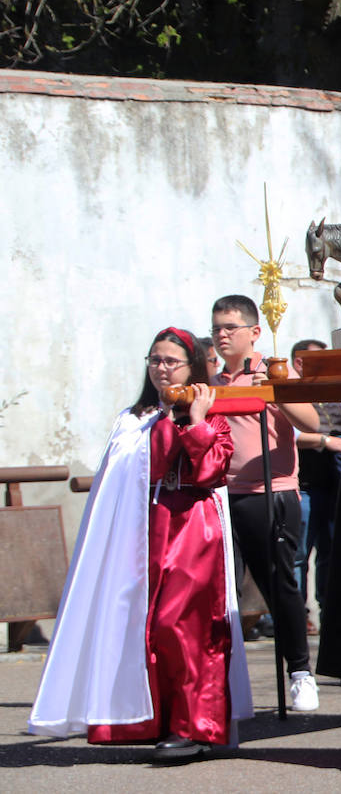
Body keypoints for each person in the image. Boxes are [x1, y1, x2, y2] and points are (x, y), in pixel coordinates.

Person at [29, 327, 252, 762]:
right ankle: (153, 719)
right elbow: (132, 474)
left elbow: (208, 472)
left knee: (182, 624)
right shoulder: (133, 419)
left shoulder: (211, 414)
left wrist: (196, 420)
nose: (161, 368)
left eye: (172, 361)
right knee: (143, 627)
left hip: (191, 530)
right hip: (141, 532)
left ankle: (195, 726)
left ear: (194, 367)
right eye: (155, 359)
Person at [209, 295, 321, 710]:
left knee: (279, 584)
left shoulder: (273, 372)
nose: (222, 335)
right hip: (223, 494)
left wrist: (277, 393)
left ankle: (300, 672)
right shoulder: (215, 382)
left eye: (230, 327)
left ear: (254, 332)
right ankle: (221, 678)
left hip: (270, 492)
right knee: (222, 588)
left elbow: (310, 421)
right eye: (216, 328)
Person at [291, 339, 341, 634]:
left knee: (330, 552)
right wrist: (327, 441)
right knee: (300, 554)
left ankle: (330, 612)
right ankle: (296, 615)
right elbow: (291, 433)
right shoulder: (293, 394)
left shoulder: (334, 392)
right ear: (299, 364)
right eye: (318, 361)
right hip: (306, 485)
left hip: (333, 485)